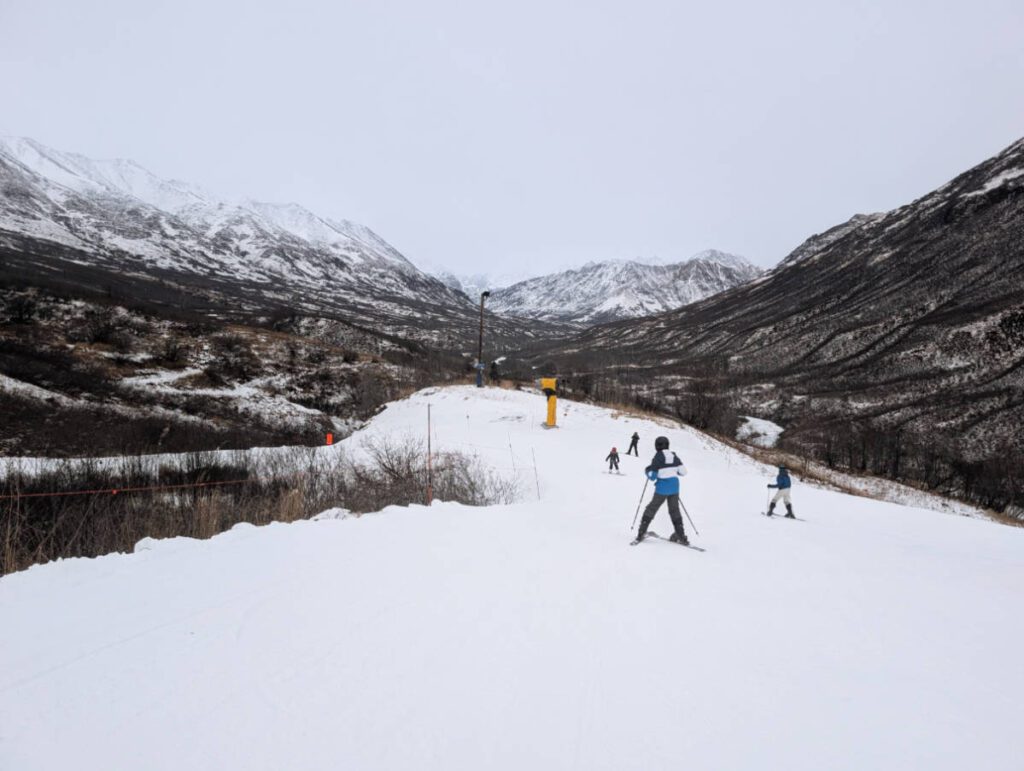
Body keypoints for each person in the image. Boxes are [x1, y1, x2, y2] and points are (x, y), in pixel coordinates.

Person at [635, 436, 689, 544]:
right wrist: (673, 472)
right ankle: (680, 535)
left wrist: (647, 470)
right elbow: (683, 472)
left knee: (651, 508)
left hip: (662, 489)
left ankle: (641, 532)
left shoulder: (658, 457)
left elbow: (652, 477)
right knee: (674, 510)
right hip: (674, 488)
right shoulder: (674, 455)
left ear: (657, 446)